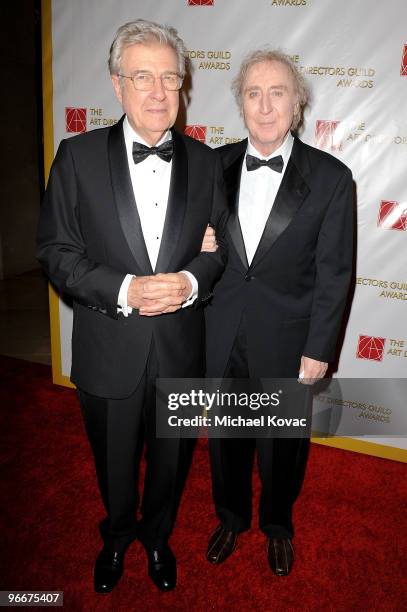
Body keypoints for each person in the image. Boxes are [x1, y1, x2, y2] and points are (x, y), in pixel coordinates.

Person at [37, 19, 227, 593]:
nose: (158, 91)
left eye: (170, 77)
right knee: (114, 463)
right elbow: (56, 252)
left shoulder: (207, 161)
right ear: (117, 84)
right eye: (142, 76)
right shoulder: (76, 157)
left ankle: (157, 538)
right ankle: (117, 537)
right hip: (108, 347)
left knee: (171, 463)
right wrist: (125, 290)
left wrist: (192, 281)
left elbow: (223, 251)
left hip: (179, 348)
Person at [205, 49, 353, 575]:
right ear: (240, 103)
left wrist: (319, 349)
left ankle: (276, 525)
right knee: (225, 440)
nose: (264, 107)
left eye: (277, 93)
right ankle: (230, 517)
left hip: (289, 340)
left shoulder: (332, 178)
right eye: (253, 93)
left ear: (297, 105)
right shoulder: (212, 166)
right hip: (221, 333)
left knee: (281, 447)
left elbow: (335, 274)